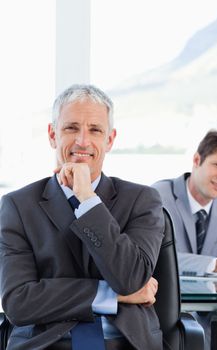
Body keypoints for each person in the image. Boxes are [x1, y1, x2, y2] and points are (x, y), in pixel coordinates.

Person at [0, 84, 165, 349]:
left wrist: (88, 201)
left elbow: (131, 278)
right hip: (48, 343)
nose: (82, 141)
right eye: (71, 128)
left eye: (95, 130)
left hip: (124, 342)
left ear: (109, 140)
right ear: (53, 135)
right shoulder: (17, 206)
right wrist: (113, 296)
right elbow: (18, 302)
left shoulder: (142, 200)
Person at [152, 129, 217, 349]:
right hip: (168, 310)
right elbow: (158, 261)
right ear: (197, 160)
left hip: (214, 313)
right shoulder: (160, 195)